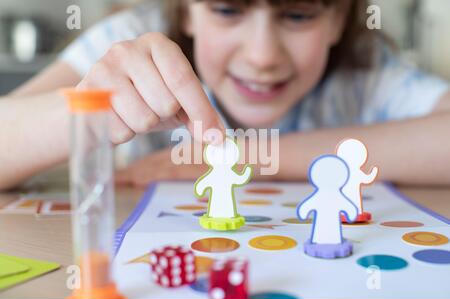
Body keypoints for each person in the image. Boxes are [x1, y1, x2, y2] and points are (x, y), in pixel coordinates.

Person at [0, 0, 449, 191]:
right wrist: (85, 112)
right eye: (227, 9)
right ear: (186, 12)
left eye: (297, 14)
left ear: (337, 20)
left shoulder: (365, 70)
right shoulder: (130, 41)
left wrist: (252, 154)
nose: (262, 56)